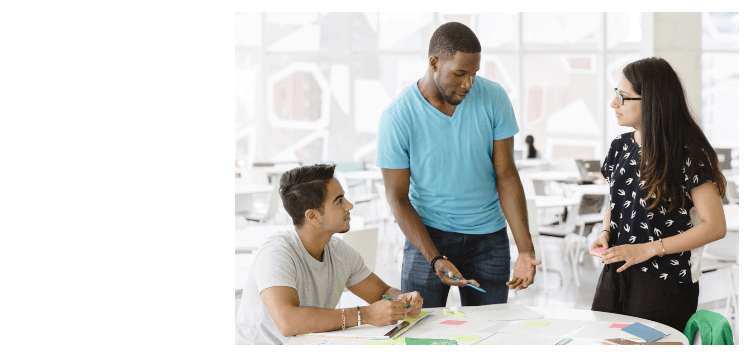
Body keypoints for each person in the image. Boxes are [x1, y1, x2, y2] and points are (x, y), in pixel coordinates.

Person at [376, 22, 541, 309]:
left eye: (474, 74)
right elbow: (398, 198)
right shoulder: (398, 117)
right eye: (459, 73)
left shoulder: (494, 97)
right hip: (427, 235)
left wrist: (525, 250)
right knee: (420, 331)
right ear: (434, 63)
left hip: (489, 238)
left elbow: (506, 175)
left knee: (489, 334)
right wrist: (434, 257)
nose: (468, 84)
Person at [590, 57, 727, 333]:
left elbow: (715, 226)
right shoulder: (620, 146)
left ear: (651, 100)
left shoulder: (687, 153)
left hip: (663, 280)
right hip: (616, 270)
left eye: (623, 97)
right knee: (603, 343)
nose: (613, 103)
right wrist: (606, 232)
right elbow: (617, 201)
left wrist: (647, 249)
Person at [235, 164, 424, 345]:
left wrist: (403, 299)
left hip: (312, 345)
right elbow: (288, 322)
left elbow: (382, 293)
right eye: (339, 201)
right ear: (313, 216)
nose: (349, 206)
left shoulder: (341, 252)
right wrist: (365, 315)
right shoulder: (276, 253)